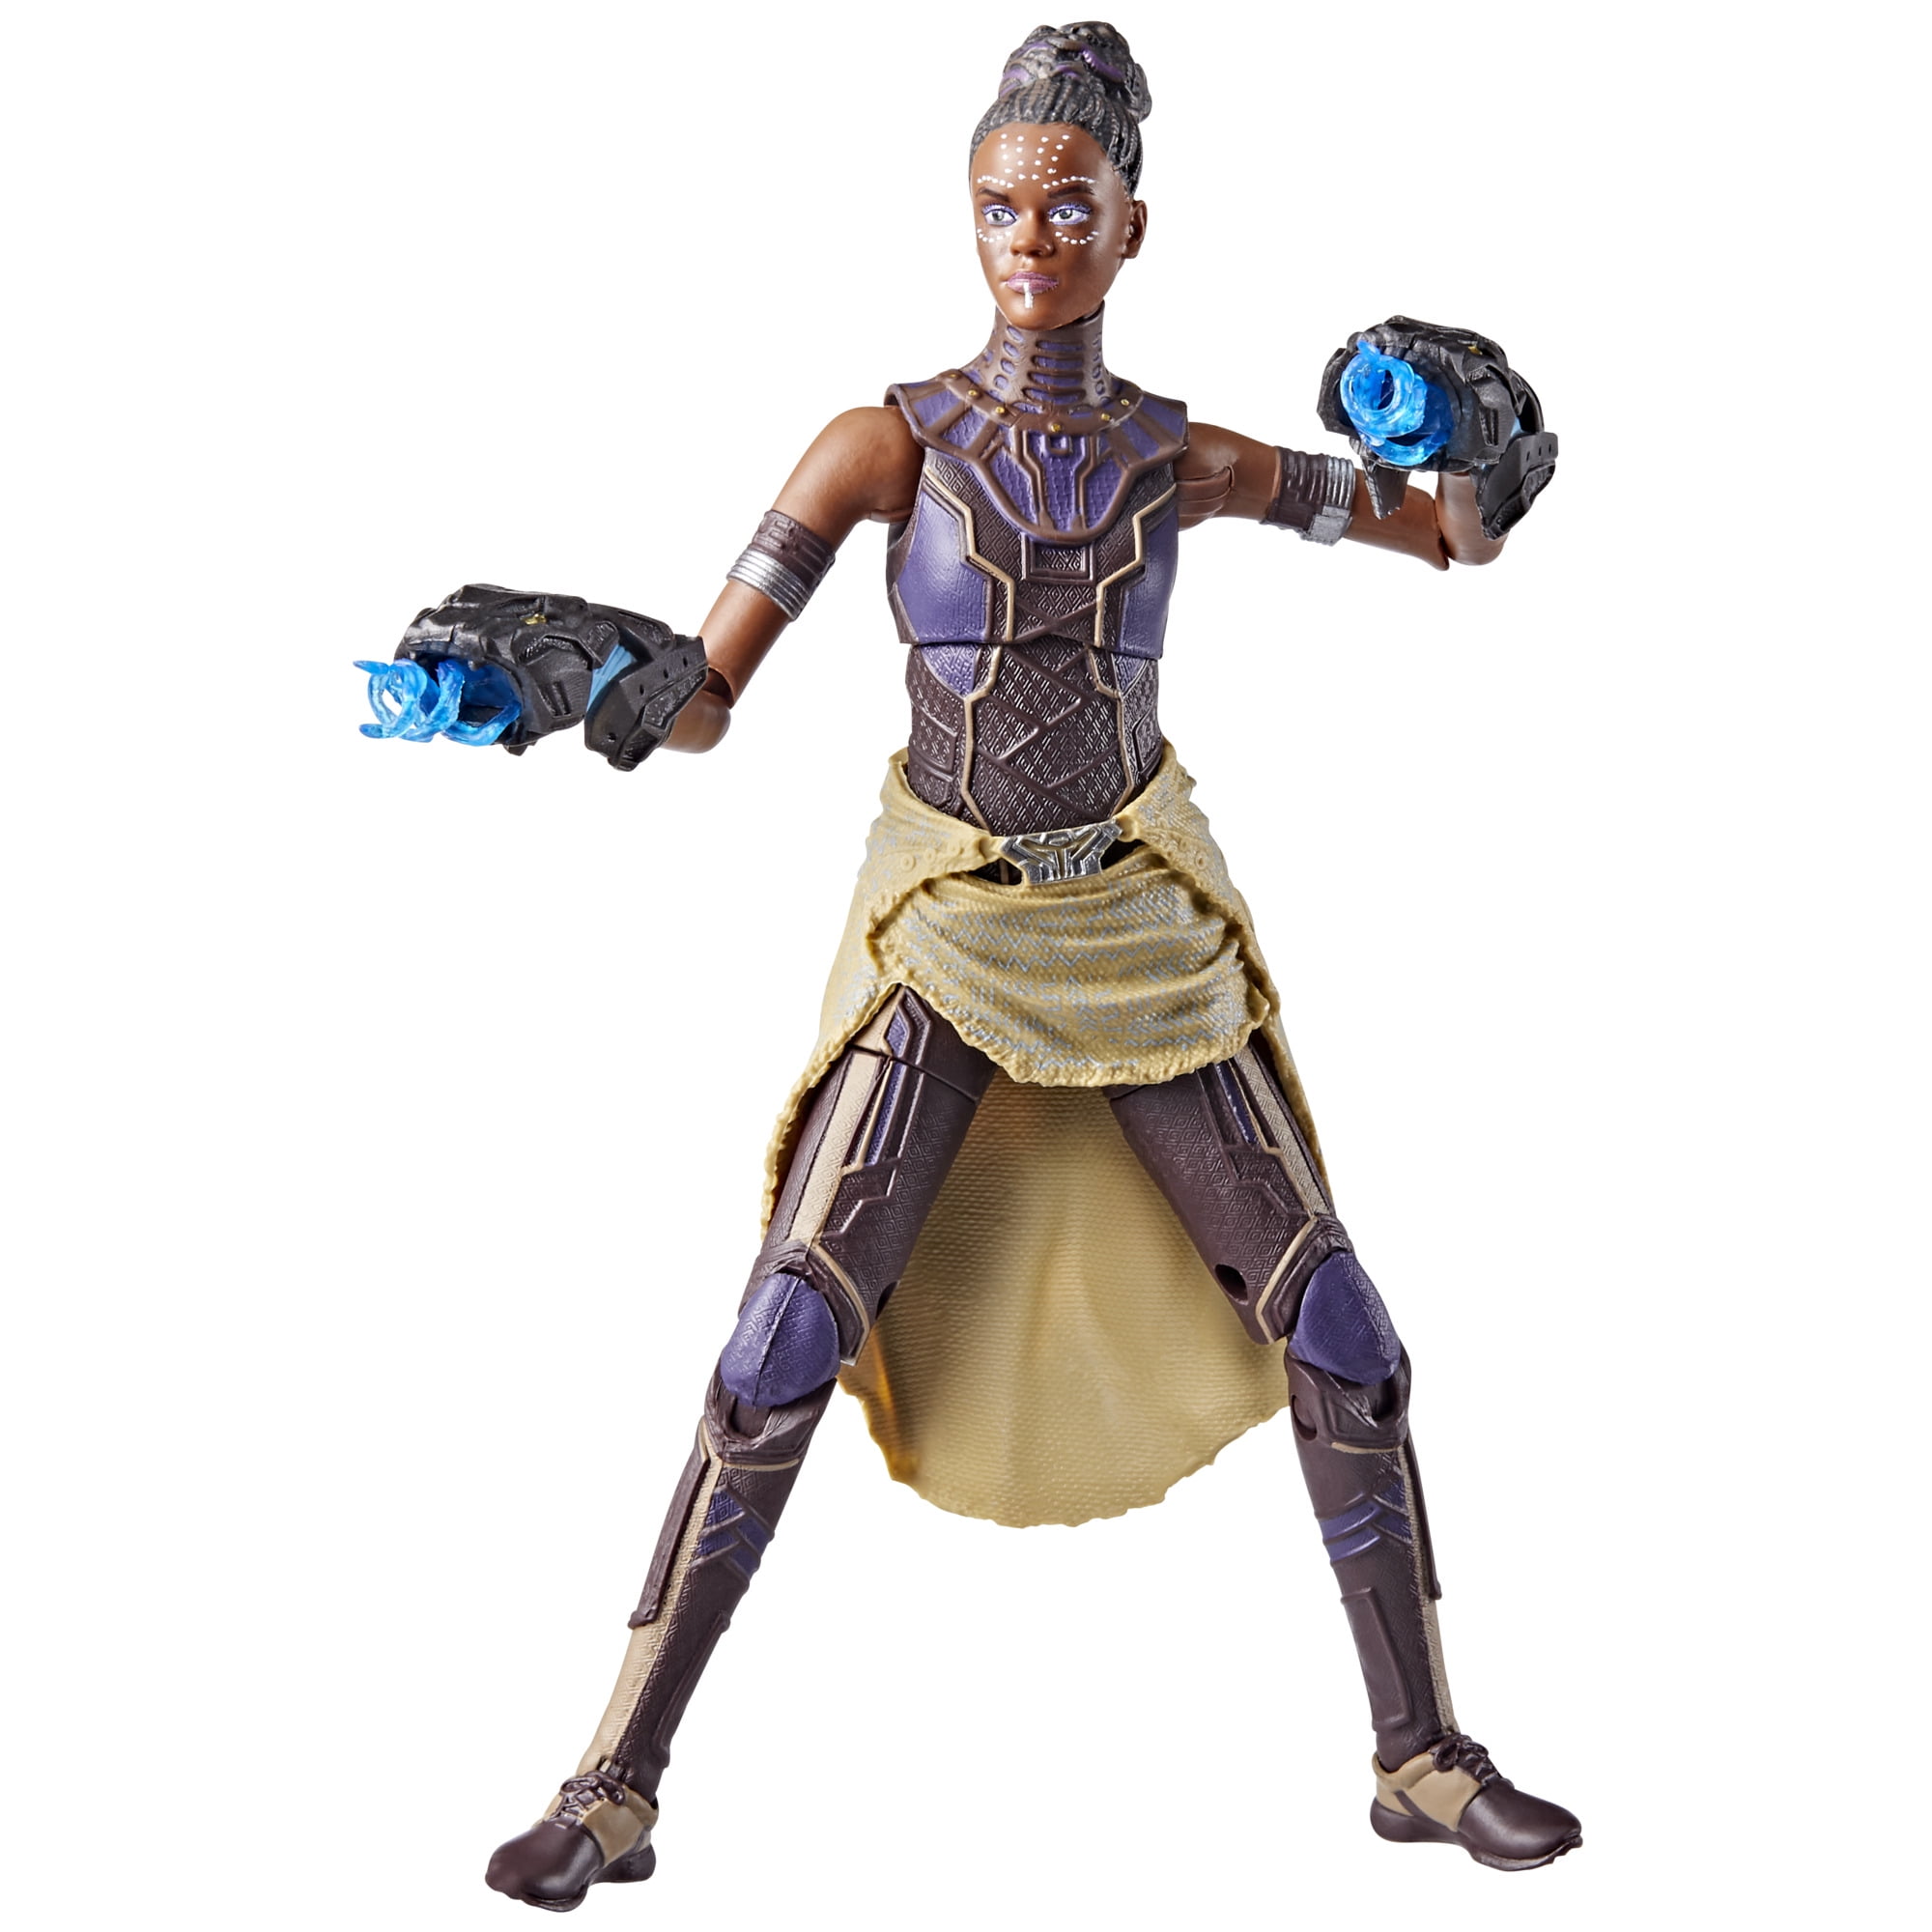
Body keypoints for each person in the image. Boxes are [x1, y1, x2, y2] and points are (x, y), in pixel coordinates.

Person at [367, 20, 1579, 1909]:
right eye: (1002, 205)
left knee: (1344, 1333)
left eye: (1068, 206)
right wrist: (558, 671)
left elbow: (1444, 542)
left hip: (1135, 925)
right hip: (948, 922)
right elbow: (702, 702)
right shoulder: (884, 443)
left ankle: (1418, 1758)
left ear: (1131, 224)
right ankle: (613, 1783)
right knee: (779, 1340)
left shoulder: (1183, 457)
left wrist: (1474, 448)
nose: (1032, 237)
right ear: (968, 213)